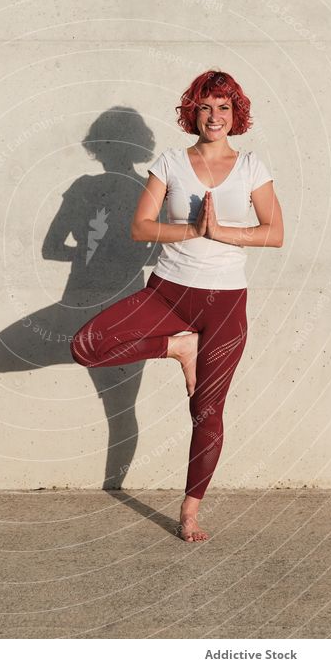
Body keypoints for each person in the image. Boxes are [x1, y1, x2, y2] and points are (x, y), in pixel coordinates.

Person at [70, 70, 284, 542]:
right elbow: (141, 228)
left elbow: (274, 232)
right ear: (194, 111)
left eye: (224, 108)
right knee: (88, 344)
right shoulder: (170, 162)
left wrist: (219, 232)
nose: (215, 116)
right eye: (206, 106)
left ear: (236, 115)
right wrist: (190, 231)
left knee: (207, 412)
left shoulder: (252, 167)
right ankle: (177, 346)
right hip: (169, 292)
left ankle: (190, 510)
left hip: (225, 303)